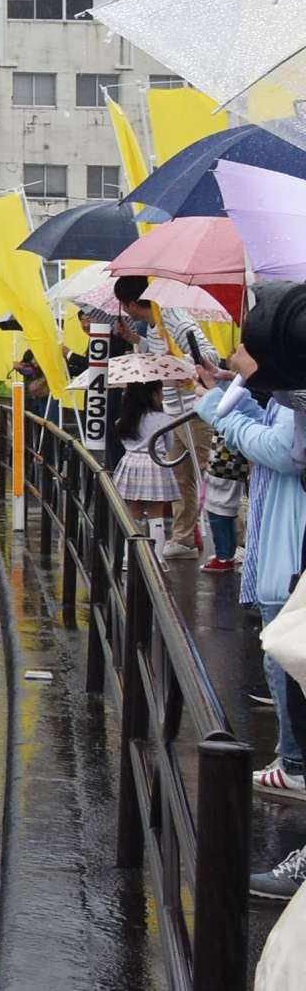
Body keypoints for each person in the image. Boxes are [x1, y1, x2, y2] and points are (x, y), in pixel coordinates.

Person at [192, 351, 306, 845]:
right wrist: (236, 390)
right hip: (282, 529)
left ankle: (295, 761)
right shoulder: (289, 388)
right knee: (282, 647)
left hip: (292, 536)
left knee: (287, 650)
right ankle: (291, 754)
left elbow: (285, 451)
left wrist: (224, 409)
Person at [114, 274, 220, 559]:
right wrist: (136, 340)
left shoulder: (174, 318)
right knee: (182, 478)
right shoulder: (153, 325)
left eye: (123, 303)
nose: (123, 310)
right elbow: (160, 358)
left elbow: (209, 356)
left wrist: (178, 365)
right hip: (174, 413)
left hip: (194, 411)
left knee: (210, 476)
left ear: (134, 302)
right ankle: (184, 539)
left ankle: (227, 543)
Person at [111, 381, 178, 539]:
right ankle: (157, 558)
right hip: (155, 464)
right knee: (156, 514)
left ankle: (130, 556)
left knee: (133, 511)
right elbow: (169, 445)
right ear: (154, 395)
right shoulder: (165, 419)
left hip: (129, 464)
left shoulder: (124, 421)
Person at [201, 436, 249, 575]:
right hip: (234, 463)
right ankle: (227, 555)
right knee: (227, 513)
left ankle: (223, 557)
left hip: (224, 462)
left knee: (218, 512)